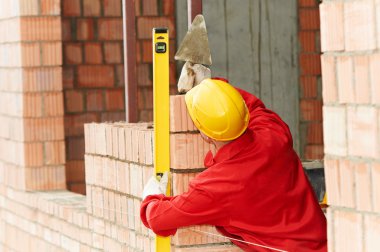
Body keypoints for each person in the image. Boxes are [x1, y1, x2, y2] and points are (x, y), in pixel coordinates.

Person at [140, 78, 327, 251]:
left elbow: (158, 218)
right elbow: (251, 105)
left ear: (206, 135)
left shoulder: (216, 186)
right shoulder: (273, 134)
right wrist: (213, 86)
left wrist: (150, 197)